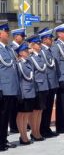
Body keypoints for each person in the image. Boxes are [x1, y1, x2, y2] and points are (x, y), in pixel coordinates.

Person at [0, 23, 20, 151]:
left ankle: (3, 140)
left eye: (8, 32)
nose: (8, 34)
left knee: (6, 117)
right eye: (6, 32)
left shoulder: (8, 49)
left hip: (11, 88)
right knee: (1, 117)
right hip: (3, 88)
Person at [26, 35, 49, 142]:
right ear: (32, 45)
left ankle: (37, 131)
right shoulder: (31, 57)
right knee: (35, 111)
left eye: (40, 43)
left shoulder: (40, 56)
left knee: (40, 111)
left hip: (43, 86)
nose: (40, 45)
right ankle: (34, 132)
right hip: (37, 87)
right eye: (38, 44)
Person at [38, 28, 60, 138]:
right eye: (50, 38)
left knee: (49, 108)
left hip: (52, 84)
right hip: (46, 84)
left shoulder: (49, 51)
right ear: (45, 39)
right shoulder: (42, 51)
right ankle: (42, 129)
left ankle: (46, 128)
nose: (52, 40)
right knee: (44, 109)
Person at [15, 43, 35, 145]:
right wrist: (20, 94)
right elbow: (18, 80)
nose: (28, 52)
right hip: (23, 92)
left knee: (26, 114)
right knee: (21, 114)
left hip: (30, 92)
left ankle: (25, 135)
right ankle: (22, 136)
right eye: (26, 51)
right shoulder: (19, 64)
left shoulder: (28, 62)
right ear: (21, 53)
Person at [8, 28, 26, 134]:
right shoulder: (12, 48)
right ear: (16, 37)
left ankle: (18, 125)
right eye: (22, 36)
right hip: (15, 79)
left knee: (18, 104)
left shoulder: (18, 47)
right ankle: (14, 126)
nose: (23, 38)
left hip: (20, 79)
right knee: (13, 105)